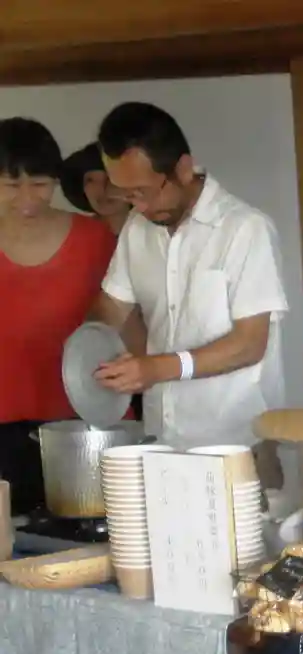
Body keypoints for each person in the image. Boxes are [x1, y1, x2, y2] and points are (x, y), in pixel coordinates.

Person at [90, 102, 289, 453]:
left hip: (238, 442)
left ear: (183, 168)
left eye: (144, 191)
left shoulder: (244, 229)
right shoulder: (138, 228)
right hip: (161, 437)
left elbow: (249, 343)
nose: (138, 206)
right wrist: (88, 347)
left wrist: (157, 368)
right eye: (126, 194)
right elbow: (112, 306)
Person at [0, 118, 118, 516]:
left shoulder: (96, 239)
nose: (26, 198)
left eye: (39, 183)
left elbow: (126, 330)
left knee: (90, 534)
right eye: (11, 185)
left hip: (84, 422)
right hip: (3, 421)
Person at [59, 143, 130, 235]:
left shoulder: (147, 231)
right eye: (90, 180)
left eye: (109, 178)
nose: (102, 188)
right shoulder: (68, 235)